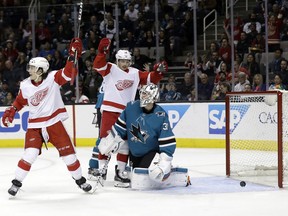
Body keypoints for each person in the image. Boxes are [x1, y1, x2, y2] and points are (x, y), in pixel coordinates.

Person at [1, 38, 92, 196]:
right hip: (34, 126)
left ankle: (80, 180)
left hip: (54, 123)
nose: (29, 70)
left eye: (32, 68)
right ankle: (16, 182)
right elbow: (20, 101)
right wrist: (13, 109)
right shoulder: (25, 85)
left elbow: (70, 72)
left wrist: (72, 55)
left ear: (41, 71)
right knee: (30, 154)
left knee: (69, 156)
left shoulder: (53, 79)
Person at [88, 38, 165, 188]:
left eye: (127, 61)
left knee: (125, 144)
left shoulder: (135, 73)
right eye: (122, 61)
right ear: (117, 61)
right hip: (110, 111)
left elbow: (150, 79)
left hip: (126, 113)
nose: (124, 64)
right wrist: (101, 52)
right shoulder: (110, 69)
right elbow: (98, 65)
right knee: (106, 141)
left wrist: (158, 72)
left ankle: (120, 172)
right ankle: (101, 170)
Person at [98, 84, 176, 184]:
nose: (143, 96)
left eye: (147, 94)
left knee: (152, 174)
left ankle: (165, 168)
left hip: (151, 153)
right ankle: (121, 170)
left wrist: (165, 160)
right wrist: (110, 141)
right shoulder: (131, 107)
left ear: (154, 97)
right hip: (134, 154)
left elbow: (167, 140)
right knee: (137, 176)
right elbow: (119, 128)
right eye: (142, 93)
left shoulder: (161, 115)